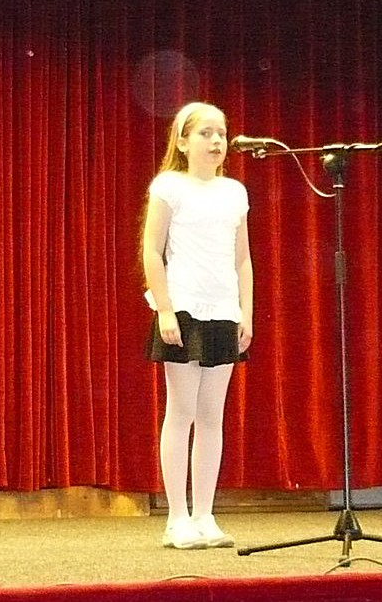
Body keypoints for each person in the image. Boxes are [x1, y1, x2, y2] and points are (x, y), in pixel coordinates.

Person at [142, 102, 253, 550]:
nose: (216, 141)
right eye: (206, 133)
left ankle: (205, 515)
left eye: (221, 133)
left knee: (212, 416)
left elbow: (242, 258)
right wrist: (166, 309)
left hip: (224, 311)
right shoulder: (169, 186)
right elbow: (152, 251)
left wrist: (246, 312)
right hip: (184, 309)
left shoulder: (234, 193)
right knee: (182, 411)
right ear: (183, 142)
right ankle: (177, 519)